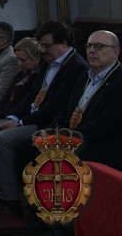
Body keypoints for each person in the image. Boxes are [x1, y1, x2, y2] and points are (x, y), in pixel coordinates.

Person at [0, 20, 88, 208]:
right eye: (41, 46)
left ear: (64, 43)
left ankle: (9, 197)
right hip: (30, 116)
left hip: (47, 123)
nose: (43, 50)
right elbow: (30, 97)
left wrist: (20, 122)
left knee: (4, 138)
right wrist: (13, 117)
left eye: (47, 46)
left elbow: (55, 107)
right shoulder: (48, 63)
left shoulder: (75, 67)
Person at [50, 30, 122, 170]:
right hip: (77, 137)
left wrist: (67, 138)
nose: (92, 51)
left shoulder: (118, 81)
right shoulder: (84, 76)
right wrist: (52, 132)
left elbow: (105, 123)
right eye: (89, 46)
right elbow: (67, 110)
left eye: (99, 46)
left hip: (102, 144)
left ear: (116, 52)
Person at [0, 37, 42, 121]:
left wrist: (0, 115)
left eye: (23, 60)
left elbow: (24, 104)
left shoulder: (38, 78)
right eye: (17, 59)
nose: (19, 64)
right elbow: (7, 97)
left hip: (17, 117)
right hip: (5, 112)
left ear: (36, 58)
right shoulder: (21, 74)